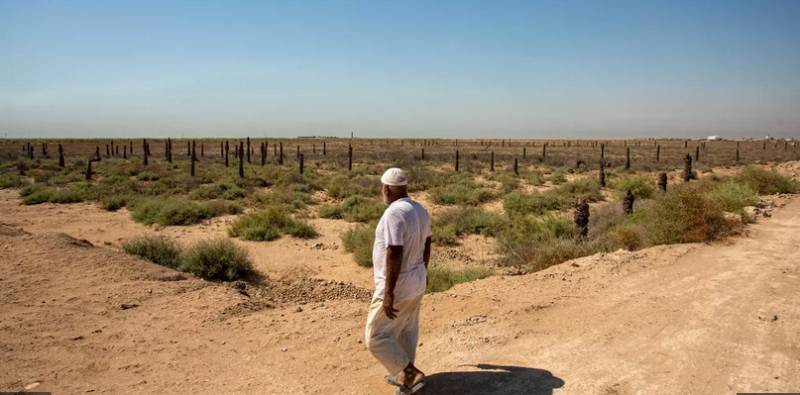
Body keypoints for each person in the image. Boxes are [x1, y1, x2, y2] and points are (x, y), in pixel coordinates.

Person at [365, 167, 432, 394]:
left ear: (386, 188)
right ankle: (407, 382)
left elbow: (394, 251)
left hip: (399, 285)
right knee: (405, 330)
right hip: (417, 280)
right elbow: (428, 244)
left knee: (375, 337)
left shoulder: (394, 213)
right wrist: (421, 271)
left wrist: (389, 292)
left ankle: (410, 374)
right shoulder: (420, 209)